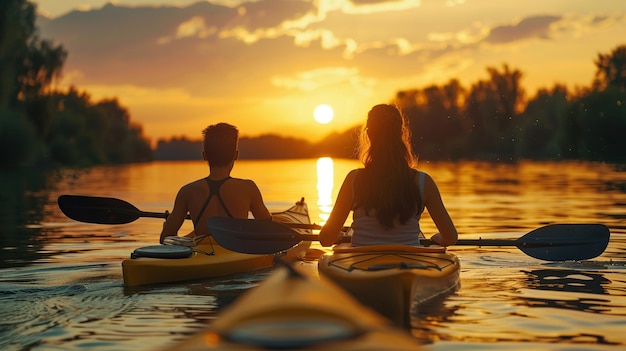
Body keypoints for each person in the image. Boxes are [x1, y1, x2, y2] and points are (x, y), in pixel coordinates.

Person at [319, 104, 458, 247]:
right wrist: (437, 239)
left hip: (362, 264)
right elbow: (451, 238)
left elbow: (325, 239)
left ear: (369, 135)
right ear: (401, 133)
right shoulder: (424, 182)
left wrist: (339, 235)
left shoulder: (354, 180)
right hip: (410, 265)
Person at [160, 123, 272, 244]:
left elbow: (165, 239)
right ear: (236, 155)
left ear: (204, 156)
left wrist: (167, 226)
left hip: (202, 254)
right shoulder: (248, 188)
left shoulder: (187, 191)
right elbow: (268, 231)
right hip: (236, 253)